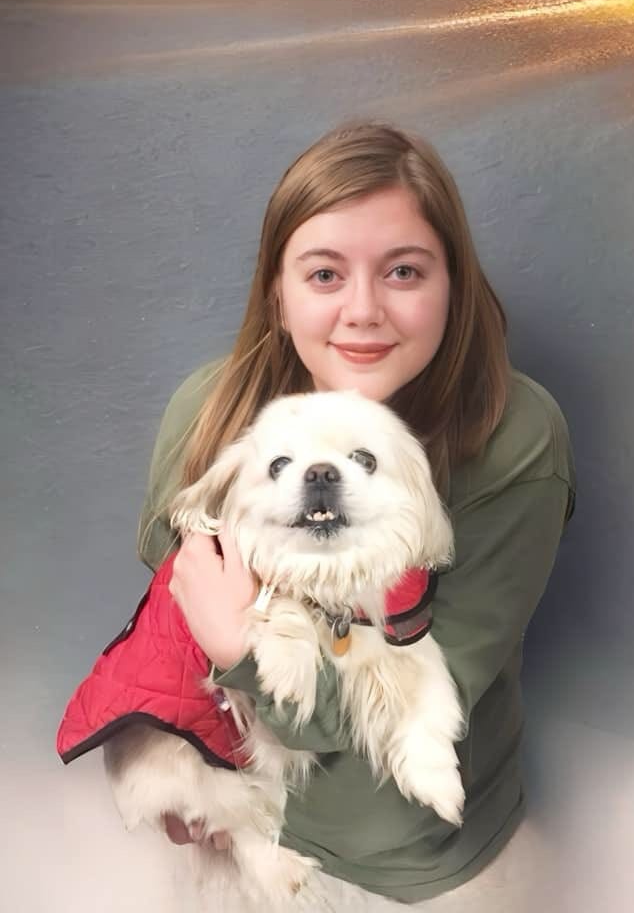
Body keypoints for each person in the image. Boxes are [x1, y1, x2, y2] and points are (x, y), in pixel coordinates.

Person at [137, 122, 576, 905]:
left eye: (403, 271)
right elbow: (164, 631)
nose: (364, 310)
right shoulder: (208, 411)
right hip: (237, 838)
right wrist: (169, 757)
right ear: (277, 294)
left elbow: (423, 707)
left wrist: (240, 647)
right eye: (324, 274)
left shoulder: (515, 438)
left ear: (453, 287)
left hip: (405, 865)